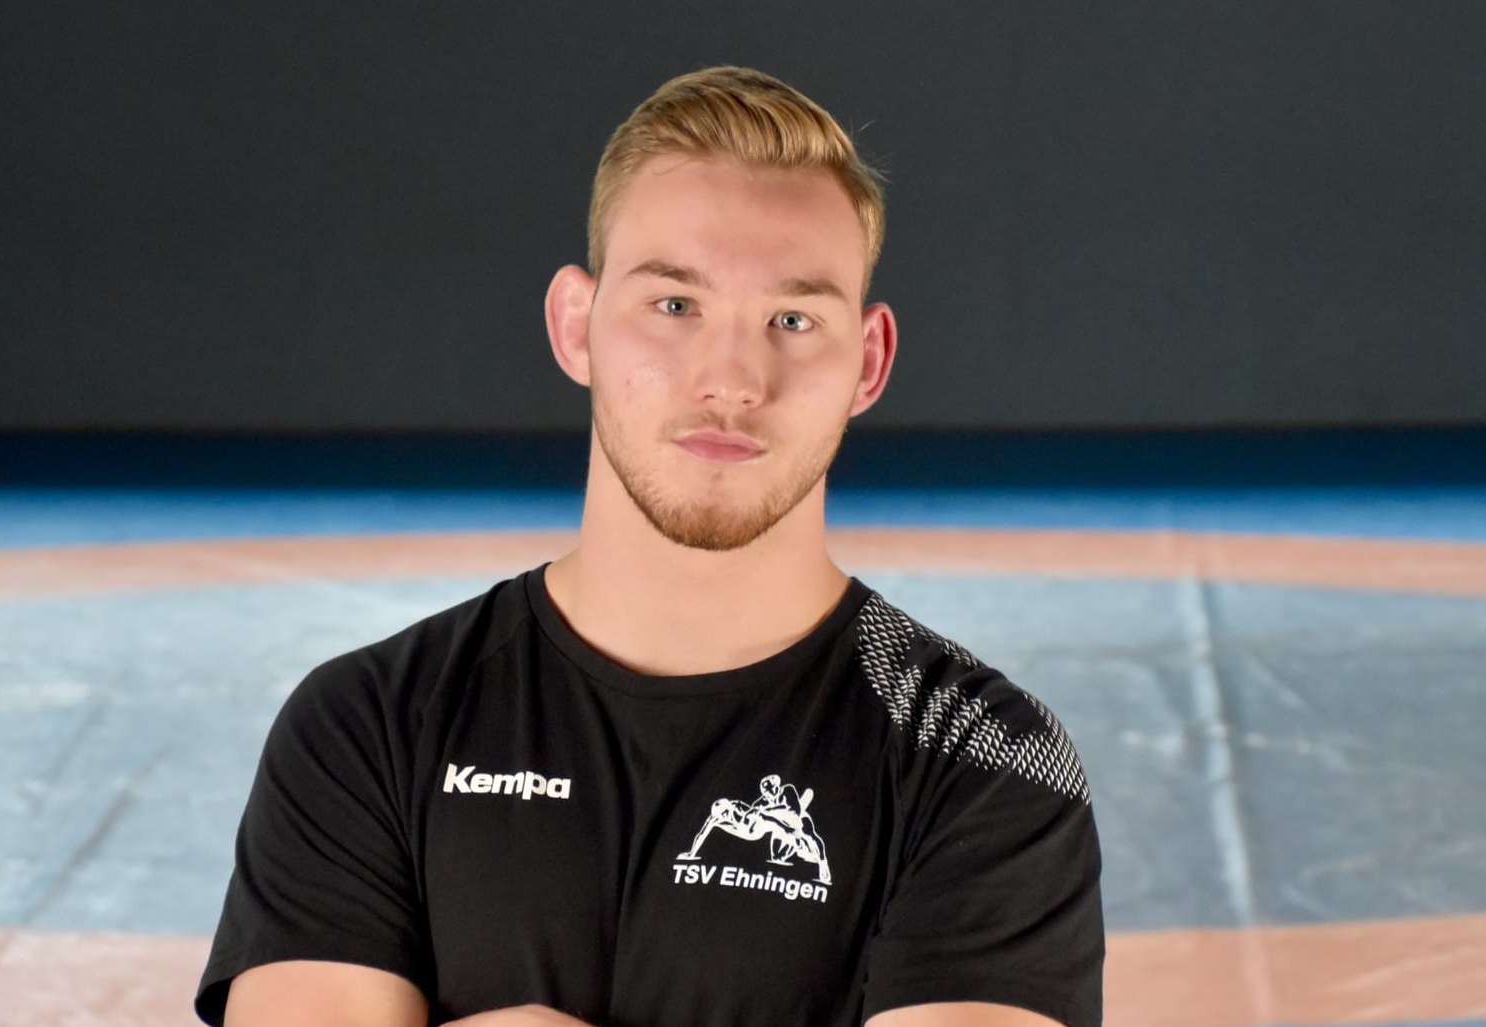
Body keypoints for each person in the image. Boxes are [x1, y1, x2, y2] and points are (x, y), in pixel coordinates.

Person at [196, 65, 1104, 1027]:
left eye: (793, 319)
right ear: (575, 327)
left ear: (868, 362)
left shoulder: (980, 755)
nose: (732, 379)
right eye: (675, 305)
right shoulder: (372, 721)